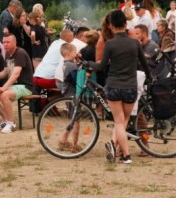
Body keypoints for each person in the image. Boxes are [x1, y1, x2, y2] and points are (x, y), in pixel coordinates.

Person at [88, 9, 150, 164]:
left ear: (111, 25)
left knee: (119, 122)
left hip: (114, 86)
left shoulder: (109, 44)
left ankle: (126, 155)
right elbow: (144, 64)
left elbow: (101, 66)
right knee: (124, 121)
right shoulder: (135, 42)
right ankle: (116, 148)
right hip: (130, 87)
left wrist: (87, 63)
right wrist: (151, 78)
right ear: (125, 23)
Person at [0, 34, 34, 134]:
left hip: (25, 86)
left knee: (4, 94)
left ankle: (11, 123)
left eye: (8, 42)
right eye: (4, 42)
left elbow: (16, 74)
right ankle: (5, 119)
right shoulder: (7, 54)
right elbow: (5, 72)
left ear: (15, 43)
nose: (5, 44)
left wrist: (3, 88)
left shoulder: (20, 53)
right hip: (13, 86)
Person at [58, 43, 81, 153]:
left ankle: (63, 140)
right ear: (69, 53)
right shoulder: (72, 66)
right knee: (76, 121)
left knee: (73, 119)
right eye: (75, 52)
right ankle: (75, 145)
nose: (76, 54)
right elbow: (76, 80)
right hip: (72, 94)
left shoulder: (65, 64)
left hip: (67, 94)